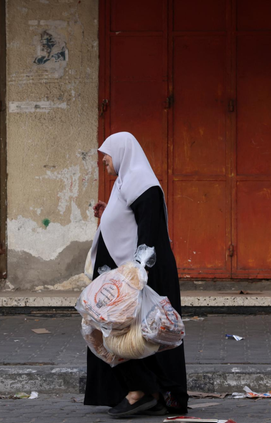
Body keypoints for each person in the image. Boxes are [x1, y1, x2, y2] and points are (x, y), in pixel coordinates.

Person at [84, 132, 188, 417]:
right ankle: (144, 391)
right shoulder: (126, 182)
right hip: (131, 274)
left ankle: (142, 392)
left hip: (143, 275)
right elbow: (132, 220)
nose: (104, 159)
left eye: (107, 153)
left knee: (141, 333)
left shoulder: (144, 184)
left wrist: (135, 277)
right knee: (122, 333)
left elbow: (149, 233)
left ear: (121, 152)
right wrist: (108, 214)